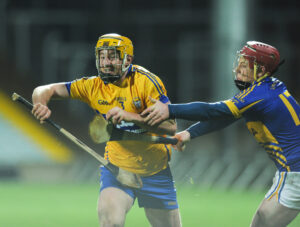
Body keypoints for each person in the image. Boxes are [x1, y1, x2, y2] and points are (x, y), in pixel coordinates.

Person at [141, 41, 300, 227]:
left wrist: (170, 110)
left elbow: (213, 111)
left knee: (262, 221)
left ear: (262, 70)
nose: (239, 68)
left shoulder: (260, 94)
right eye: (240, 62)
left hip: (295, 173)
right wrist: (190, 133)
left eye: (246, 65)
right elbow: (227, 117)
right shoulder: (268, 87)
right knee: (261, 221)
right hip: (292, 172)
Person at [31, 33, 182, 227]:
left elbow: (171, 127)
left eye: (111, 56)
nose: (105, 62)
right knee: (110, 221)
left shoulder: (146, 83)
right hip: (117, 169)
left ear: (128, 59)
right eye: (102, 57)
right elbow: (45, 89)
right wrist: (40, 103)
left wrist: (132, 117)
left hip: (155, 171)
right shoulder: (93, 86)